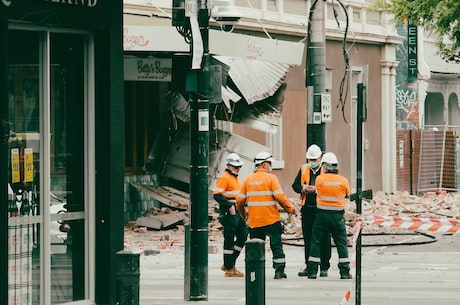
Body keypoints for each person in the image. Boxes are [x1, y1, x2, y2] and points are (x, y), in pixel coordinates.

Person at [236, 151, 294, 280]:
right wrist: (289, 208)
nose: (270, 166)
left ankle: (256, 272)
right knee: (276, 246)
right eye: (269, 163)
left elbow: (239, 201)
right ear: (263, 164)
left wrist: (243, 214)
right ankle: (279, 271)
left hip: (255, 221)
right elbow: (279, 196)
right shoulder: (271, 178)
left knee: (256, 247)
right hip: (271, 219)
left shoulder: (247, 179)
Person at [306, 152, 352, 279]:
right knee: (341, 243)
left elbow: (316, 190)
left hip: (321, 215)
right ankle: (344, 271)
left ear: (324, 167)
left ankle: (312, 271)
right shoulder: (343, 181)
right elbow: (347, 195)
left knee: (316, 242)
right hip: (337, 216)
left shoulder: (319, 179)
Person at [291, 144, 331, 277]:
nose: (312, 162)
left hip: (321, 209)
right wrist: (303, 189)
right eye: (310, 160)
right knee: (308, 238)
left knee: (324, 238)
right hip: (307, 209)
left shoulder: (326, 170)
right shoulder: (304, 169)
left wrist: (316, 190)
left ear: (320, 158)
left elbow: (329, 187)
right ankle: (309, 265)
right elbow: (295, 185)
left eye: (315, 160)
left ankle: (324, 266)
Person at [213, 153, 248, 277]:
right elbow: (217, 195)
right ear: (228, 165)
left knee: (243, 235)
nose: (238, 169)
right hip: (229, 212)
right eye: (235, 167)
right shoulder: (225, 178)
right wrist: (229, 205)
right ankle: (229, 268)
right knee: (229, 239)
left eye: (239, 167)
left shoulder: (235, 178)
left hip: (237, 211)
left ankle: (229, 262)